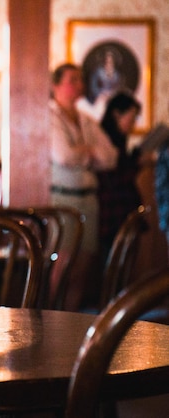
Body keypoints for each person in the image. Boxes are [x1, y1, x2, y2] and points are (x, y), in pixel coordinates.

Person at [49, 63, 118, 311]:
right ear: (56, 85)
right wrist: (91, 153)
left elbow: (111, 156)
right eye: (72, 79)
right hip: (63, 200)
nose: (79, 84)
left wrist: (86, 153)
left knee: (83, 266)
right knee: (63, 263)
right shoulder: (50, 116)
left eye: (81, 79)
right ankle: (52, 319)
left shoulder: (86, 120)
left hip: (90, 200)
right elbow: (63, 156)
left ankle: (70, 319)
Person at [97, 92, 144, 264]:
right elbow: (114, 178)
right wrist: (136, 162)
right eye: (131, 118)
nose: (133, 124)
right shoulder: (106, 140)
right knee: (115, 263)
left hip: (118, 210)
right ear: (117, 114)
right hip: (113, 210)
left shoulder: (118, 139)